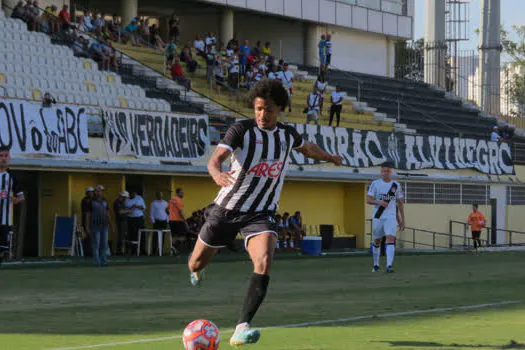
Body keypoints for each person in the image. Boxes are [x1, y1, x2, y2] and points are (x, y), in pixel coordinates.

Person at [187, 79, 343, 346]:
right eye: (258, 108)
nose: (262, 114)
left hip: (261, 213)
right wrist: (216, 173)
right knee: (196, 263)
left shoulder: (287, 135)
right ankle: (197, 271)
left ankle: (241, 327)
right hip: (227, 209)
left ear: (279, 109)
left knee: (264, 261)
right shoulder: (241, 130)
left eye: (268, 109)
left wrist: (329, 157)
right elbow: (216, 159)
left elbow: (308, 148)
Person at [366, 162, 405, 273]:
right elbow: (368, 200)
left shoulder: (395, 185)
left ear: (391, 172)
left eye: (388, 171)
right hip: (378, 216)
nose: (385, 173)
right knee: (377, 240)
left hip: (391, 217)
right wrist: (379, 202)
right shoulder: (375, 184)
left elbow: (400, 203)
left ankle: (389, 265)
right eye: (384, 171)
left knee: (390, 238)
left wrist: (402, 220)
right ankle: (376, 264)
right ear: (381, 172)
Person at [0, 146, 24, 263]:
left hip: (5, 219)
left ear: (9, 157)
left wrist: (15, 199)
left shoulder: (12, 177)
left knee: (3, 247)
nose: (3, 159)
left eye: (5, 156)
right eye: (1, 156)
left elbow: (21, 196)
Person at [85, 185, 110, 266]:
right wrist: (87, 226)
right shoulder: (91, 202)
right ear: (95, 192)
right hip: (95, 225)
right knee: (96, 244)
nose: (99, 192)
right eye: (98, 191)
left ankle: (104, 261)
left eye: (101, 191)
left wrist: (110, 223)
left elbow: (107, 213)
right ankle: (97, 261)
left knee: (104, 244)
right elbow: (88, 215)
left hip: (104, 225)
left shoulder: (105, 200)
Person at [168, 188, 193, 253]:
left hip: (171, 220)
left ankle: (172, 247)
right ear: (178, 193)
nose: (183, 194)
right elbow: (180, 212)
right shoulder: (178, 200)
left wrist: (171, 215)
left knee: (174, 235)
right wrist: (185, 220)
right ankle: (175, 246)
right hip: (177, 220)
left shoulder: (171, 199)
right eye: (181, 193)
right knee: (184, 235)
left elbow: (166, 209)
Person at [126, 190, 146, 254]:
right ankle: (133, 250)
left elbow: (143, 207)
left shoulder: (139, 198)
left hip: (139, 218)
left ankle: (142, 250)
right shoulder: (126, 199)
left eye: (135, 194)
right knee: (132, 234)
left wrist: (136, 206)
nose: (134, 195)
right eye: (132, 194)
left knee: (141, 234)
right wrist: (132, 207)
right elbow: (125, 208)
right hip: (130, 219)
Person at [113, 191, 131, 255]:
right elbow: (120, 212)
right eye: (125, 197)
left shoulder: (122, 202)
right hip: (120, 221)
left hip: (124, 221)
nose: (126, 199)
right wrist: (128, 211)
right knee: (120, 236)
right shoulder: (117, 202)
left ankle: (123, 250)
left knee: (124, 236)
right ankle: (119, 251)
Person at [81, 187, 94, 256]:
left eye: (92, 192)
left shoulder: (93, 200)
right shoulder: (85, 200)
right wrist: (87, 225)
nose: (92, 193)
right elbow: (87, 213)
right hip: (87, 221)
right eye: (90, 192)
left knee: (92, 237)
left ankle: (91, 251)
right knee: (89, 236)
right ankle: (88, 252)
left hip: (93, 221)